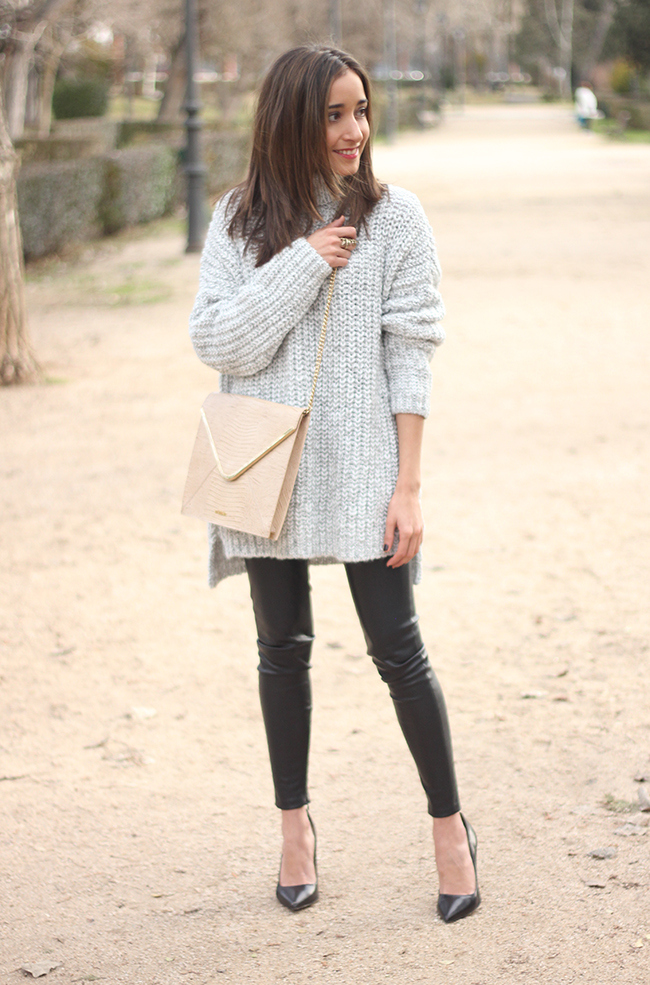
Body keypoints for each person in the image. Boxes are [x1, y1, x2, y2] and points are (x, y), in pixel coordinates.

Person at [189, 43, 480, 923]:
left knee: (400, 651)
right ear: (292, 121)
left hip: (364, 470)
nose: (355, 130)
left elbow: (412, 352)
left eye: (361, 110)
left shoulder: (398, 218)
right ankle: (294, 829)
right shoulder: (237, 220)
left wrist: (409, 486)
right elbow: (220, 342)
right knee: (281, 649)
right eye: (334, 114)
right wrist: (306, 259)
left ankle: (450, 829)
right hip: (262, 465)